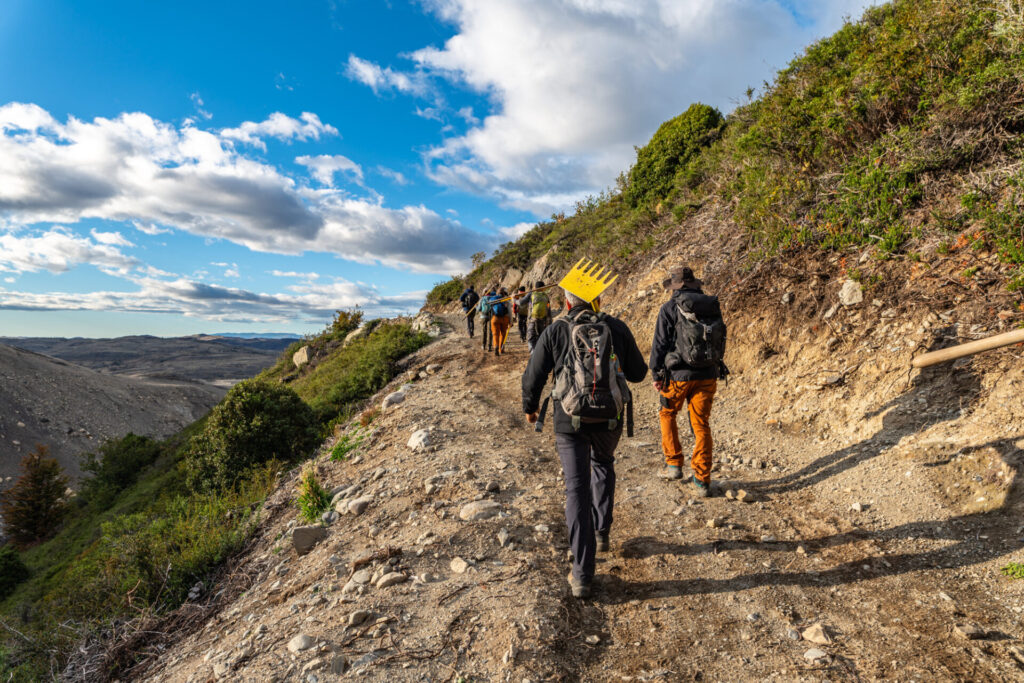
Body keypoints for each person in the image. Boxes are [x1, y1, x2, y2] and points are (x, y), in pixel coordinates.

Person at [522, 289, 647, 598]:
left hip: (568, 419)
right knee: (603, 463)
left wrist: (530, 407)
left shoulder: (556, 329)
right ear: (598, 301)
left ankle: (582, 575)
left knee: (576, 487)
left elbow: (533, 375)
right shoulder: (615, 327)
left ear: (567, 302)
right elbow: (639, 373)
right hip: (609, 416)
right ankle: (602, 531)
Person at [649, 266, 727, 497]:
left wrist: (656, 373)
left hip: (677, 376)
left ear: (674, 287)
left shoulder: (670, 308)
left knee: (667, 413)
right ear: (695, 284)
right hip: (708, 374)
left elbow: (660, 344)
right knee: (701, 424)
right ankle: (702, 480)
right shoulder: (712, 305)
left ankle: (674, 465)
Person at [526, 281, 552, 352]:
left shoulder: (532, 294)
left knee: (530, 337)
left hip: (533, 320)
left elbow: (521, 302)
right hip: (542, 320)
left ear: (535, 287)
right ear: (543, 288)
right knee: (540, 337)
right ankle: (540, 352)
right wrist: (549, 323)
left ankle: (533, 353)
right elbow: (548, 309)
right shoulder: (546, 296)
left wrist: (514, 299)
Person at [490, 287, 511, 356]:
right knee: (503, 334)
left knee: (495, 334)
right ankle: (501, 349)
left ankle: (496, 345)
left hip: (495, 318)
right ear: (504, 293)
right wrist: (511, 321)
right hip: (505, 318)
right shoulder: (506, 299)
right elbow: (509, 312)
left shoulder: (493, 299)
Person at [479, 286, 496, 352]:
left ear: (484, 292)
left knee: (484, 331)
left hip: (483, 316)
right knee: (490, 331)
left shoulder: (482, 299)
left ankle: (483, 345)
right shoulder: (493, 298)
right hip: (491, 315)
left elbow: (479, 308)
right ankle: (489, 346)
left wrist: (477, 308)